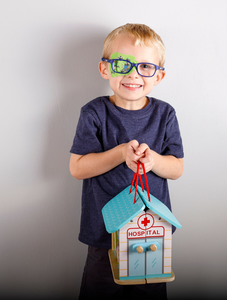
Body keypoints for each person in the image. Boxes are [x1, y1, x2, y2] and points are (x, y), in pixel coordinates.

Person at [69, 23, 184, 300]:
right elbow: (77, 168)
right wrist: (120, 153)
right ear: (105, 69)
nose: (133, 74)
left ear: (159, 75)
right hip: (104, 236)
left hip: (151, 236)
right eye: (122, 64)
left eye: (145, 66)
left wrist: (154, 160)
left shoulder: (165, 114)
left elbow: (177, 168)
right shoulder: (94, 112)